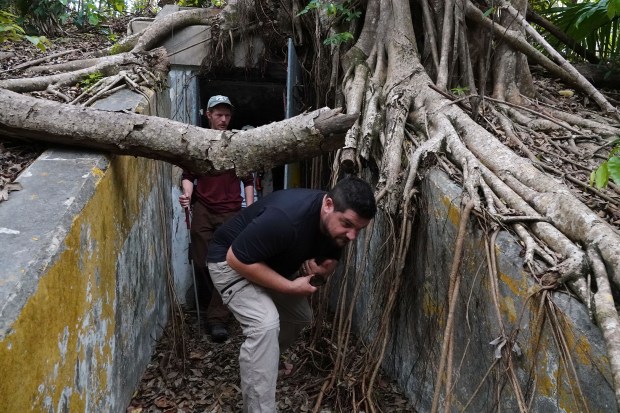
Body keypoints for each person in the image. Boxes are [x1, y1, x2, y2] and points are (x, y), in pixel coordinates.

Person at [206, 176, 377, 412]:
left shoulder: (336, 229)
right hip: (229, 262)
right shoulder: (286, 218)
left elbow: (326, 265)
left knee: (300, 316)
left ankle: (263, 364)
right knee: (265, 324)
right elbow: (236, 259)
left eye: (359, 229)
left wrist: (324, 273)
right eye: (347, 224)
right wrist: (289, 287)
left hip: (265, 265)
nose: (352, 236)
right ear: (328, 205)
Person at [179, 95, 254, 343]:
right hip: (202, 209)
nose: (223, 119)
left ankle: (217, 319)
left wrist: (249, 211)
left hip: (231, 212)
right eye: (219, 114)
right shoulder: (199, 142)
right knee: (202, 264)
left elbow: (248, 180)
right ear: (208, 115)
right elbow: (188, 174)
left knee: (225, 265)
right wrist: (187, 194)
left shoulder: (237, 143)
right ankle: (220, 305)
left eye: (227, 115)